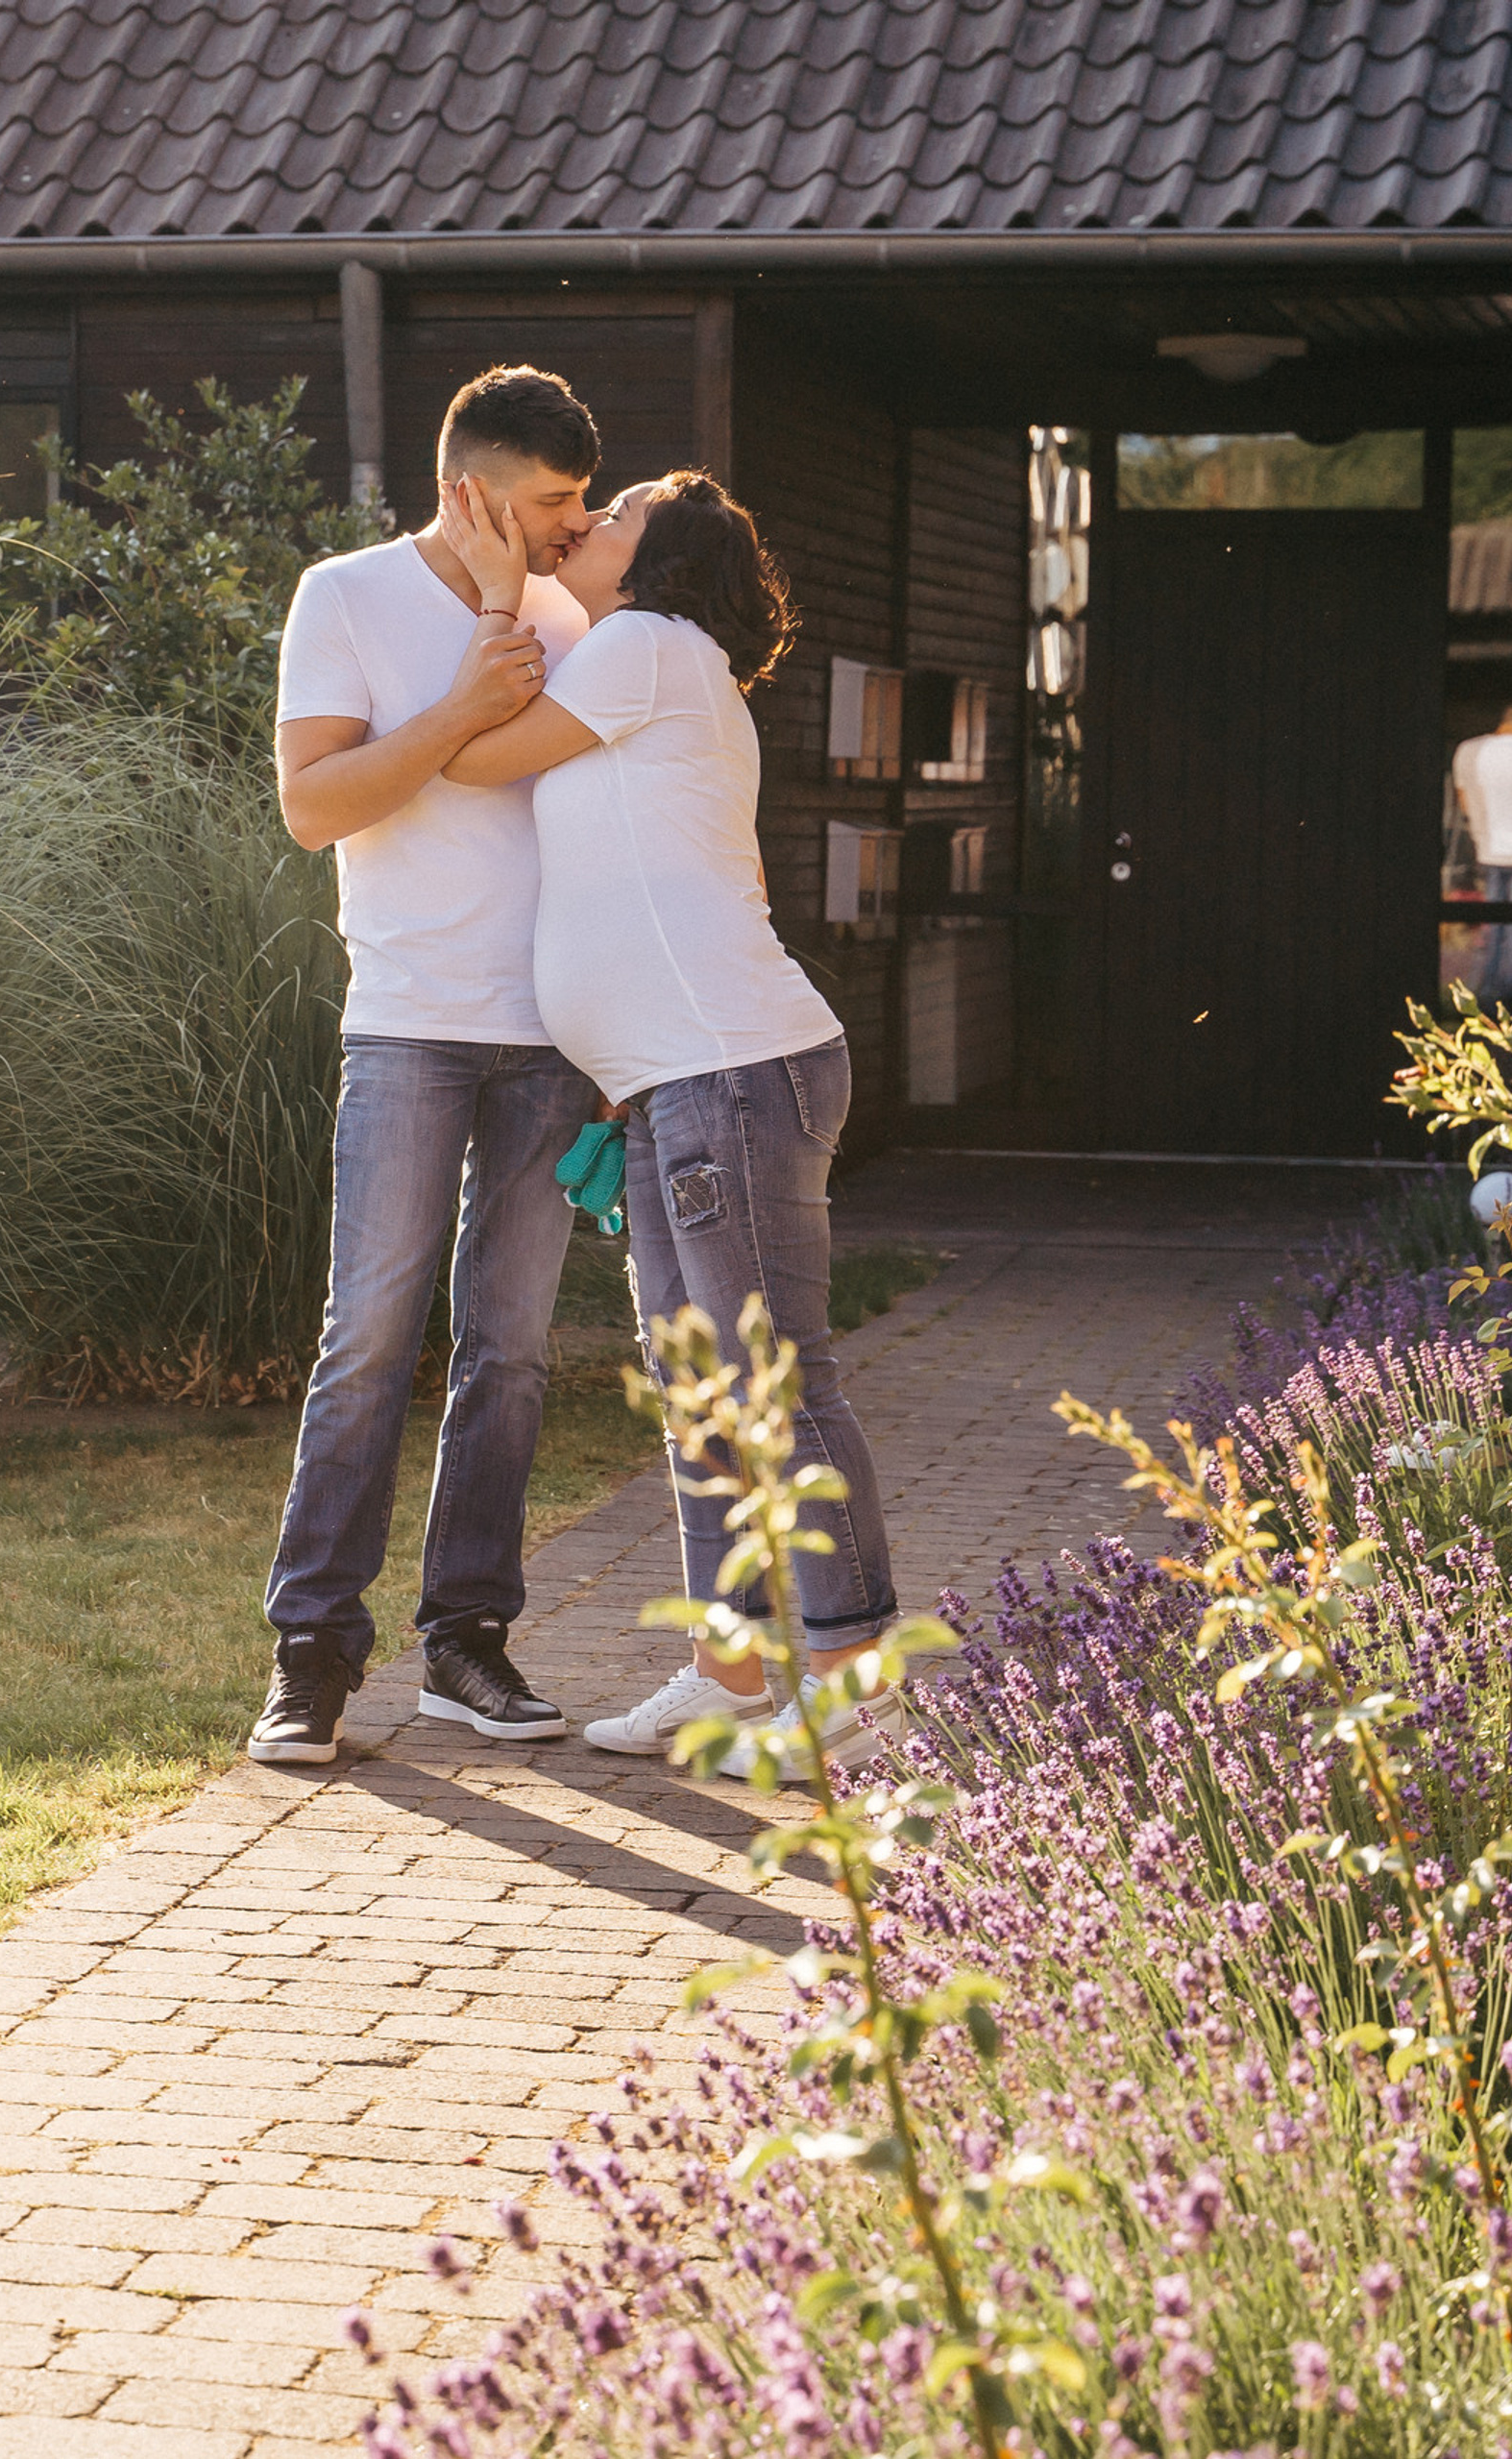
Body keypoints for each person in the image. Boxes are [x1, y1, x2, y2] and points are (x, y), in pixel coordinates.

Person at [438, 469, 906, 1774]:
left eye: (621, 507)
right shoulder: (653, 662)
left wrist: (493, 590)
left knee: (774, 1383)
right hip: (676, 1082)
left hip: (730, 1068)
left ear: (666, 557)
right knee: (705, 1398)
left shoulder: (644, 646)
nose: (589, 522)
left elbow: (472, 755)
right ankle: (731, 1669)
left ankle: (849, 1677)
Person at [246, 366, 604, 1765]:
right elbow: (313, 807)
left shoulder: (576, 619)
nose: (573, 524)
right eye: (551, 499)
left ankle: (467, 1642)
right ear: (469, 492)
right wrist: (456, 708)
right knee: (369, 1339)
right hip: (405, 1021)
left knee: (510, 1354)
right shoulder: (344, 598)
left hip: (550, 1034)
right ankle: (312, 1656)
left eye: (582, 499)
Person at [1453, 708, 1512, 1011]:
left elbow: (1464, 802)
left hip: (1488, 851)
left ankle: (1487, 997)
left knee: (1493, 932)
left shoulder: (1469, 750)